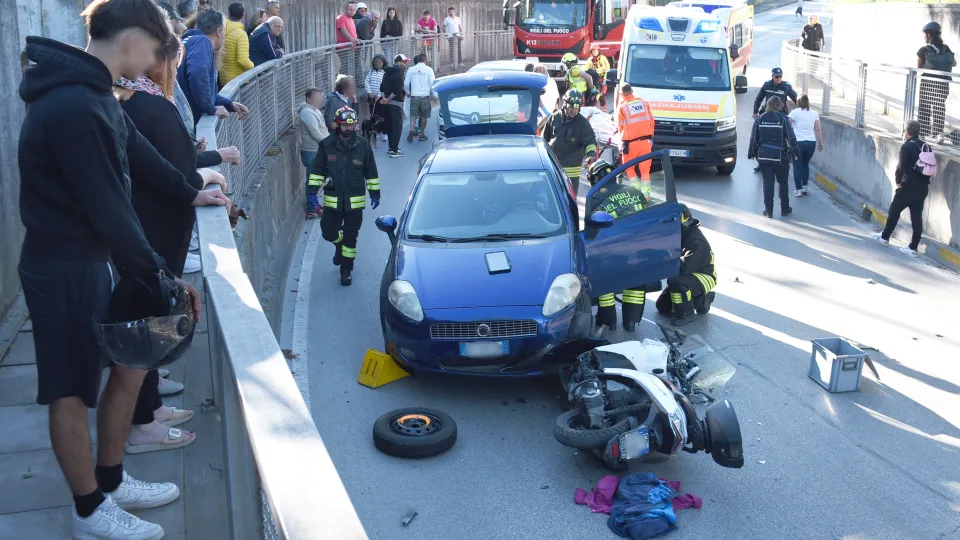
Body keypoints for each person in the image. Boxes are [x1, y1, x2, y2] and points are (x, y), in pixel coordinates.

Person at [17, 0, 217, 536]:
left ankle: (110, 478)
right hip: (61, 265)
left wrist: (194, 189)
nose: (156, 62)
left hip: (92, 259)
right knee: (70, 387)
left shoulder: (95, 96)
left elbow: (143, 155)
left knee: (120, 369)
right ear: (132, 36)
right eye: (155, 49)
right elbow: (109, 207)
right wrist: (160, 276)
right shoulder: (75, 107)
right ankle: (89, 511)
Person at [114, 28, 233, 456]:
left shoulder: (133, 101)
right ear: (161, 61)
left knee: (150, 314)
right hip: (158, 230)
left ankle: (149, 399)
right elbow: (176, 169)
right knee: (151, 314)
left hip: (149, 226)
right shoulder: (151, 106)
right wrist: (198, 175)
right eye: (174, 64)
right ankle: (142, 420)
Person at [309, 107, 381, 286]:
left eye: (352, 125)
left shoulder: (363, 145)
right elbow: (317, 170)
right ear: (337, 125)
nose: (349, 129)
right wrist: (311, 191)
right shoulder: (326, 145)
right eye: (345, 125)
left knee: (351, 237)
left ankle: (346, 269)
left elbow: (370, 170)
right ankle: (339, 245)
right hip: (333, 201)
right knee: (327, 231)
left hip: (355, 202)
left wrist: (374, 193)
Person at [588, 160, 650, 334]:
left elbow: (591, 230)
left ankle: (609, 322)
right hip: (637, 248)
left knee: (605, 285)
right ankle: (631, 322)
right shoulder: (634, 191)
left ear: (596, 177)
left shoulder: (596, 197)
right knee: (636, 285)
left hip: (611, 252)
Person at [178, 9, 250, 125]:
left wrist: (229, 104)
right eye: (224, 33)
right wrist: (211, 108)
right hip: (187, 121)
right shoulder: (203, 41)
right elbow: (197, 72)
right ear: (219, 32)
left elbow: (204, 91)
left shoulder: (188, 41)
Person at [872, 120, 933, 258]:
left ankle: (885, 236)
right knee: (917, 216)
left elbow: (901, 167)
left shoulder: (906, 147)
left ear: (908, 132)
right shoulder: (925, 146)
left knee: (895, 209)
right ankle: (913, 247)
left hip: (908, 187)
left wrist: (899, 182)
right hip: (923, 188)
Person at [655, 204, 717, 326]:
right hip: (690, 275)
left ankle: (687, 314)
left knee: (676, 282)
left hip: (704, 276)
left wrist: (661, 265)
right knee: (663, 306)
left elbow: (684, 267)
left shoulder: (696, 241)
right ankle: (698, 301)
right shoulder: (683, 235)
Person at [748, 96, 798, 218]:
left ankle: (768, 211)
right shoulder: (783, 119)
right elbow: (791, 137)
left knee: (768, 183)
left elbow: (754, 138)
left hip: (764, 157)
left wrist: (751, 153)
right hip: (780, 157)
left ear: (767, 105)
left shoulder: (760, 119)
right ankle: (785, 209)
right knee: (783, 182)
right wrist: (796, 151)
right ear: (780, 106)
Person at [542, 89, 598, 195]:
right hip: (553, 168)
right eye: (571, 107)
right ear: (565, 104)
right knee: (551, 197)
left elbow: (590, 141)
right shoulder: (554, 118)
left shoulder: (583, 123)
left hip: (571, 172)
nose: (574, 111)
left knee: (569, 200)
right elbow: (543, 140)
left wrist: (591, 155)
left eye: (577, 108)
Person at [752, 67, 798, 171]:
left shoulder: (785, 86)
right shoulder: (767, 85)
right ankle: (761, 162)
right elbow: (759, 98)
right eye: (776, 77)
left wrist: (800, 111)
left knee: (782, 138)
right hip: (766, 113)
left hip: (780, 115)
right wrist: (755, 111)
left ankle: (782, 160)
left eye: (780, 76)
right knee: (761, 138)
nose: (778, 79)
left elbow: (796, 98)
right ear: (772, 76)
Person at [917, 22, 956, 141]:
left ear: (929, 35)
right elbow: (954, 63)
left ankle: (922, 133)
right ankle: (939, 134)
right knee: (939, 107)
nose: (924, 36)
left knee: (925, 107)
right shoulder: (946, 48)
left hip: (928, 83)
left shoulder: (923, 50)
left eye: (925, 34)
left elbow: (919, 67)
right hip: (943, 83)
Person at [616, 83, 655, 197]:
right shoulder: (644, 103)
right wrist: (650, 137)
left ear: (622, 95)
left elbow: (620, 126)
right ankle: (646, 196)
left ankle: (637, 193)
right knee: (645, 171)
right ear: (632, 92)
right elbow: (652, 121)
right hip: (645, 143)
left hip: (631, 144)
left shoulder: (623, 107)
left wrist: (622, 140)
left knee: (629, 169)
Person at [300, 88, 329, 219]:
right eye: (317, 97)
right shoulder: (307, 112)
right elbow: (316, 133)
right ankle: (312, 209)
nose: (320, 100)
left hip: (318, 150)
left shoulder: (315, 110)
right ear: (309, 99)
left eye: (321, 97)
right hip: (312, 152)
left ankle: (315, 205)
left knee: (318, 179)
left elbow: (323, 130)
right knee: (313, 180)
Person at [788, 94, 823, 196]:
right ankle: (804, 187)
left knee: (797, 166)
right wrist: (821, 143)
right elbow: (818, 129)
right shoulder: (814, 113)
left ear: (798, 102)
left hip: (798, 143)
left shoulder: (795, 113)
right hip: (811, 143)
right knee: (805, 164)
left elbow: (788, 125)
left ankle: (798, 190)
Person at [380, 53, 410, 158]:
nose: (406, 64)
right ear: (399, 62)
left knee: (390, 126)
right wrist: (388, 99)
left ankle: (391, 147)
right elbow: (398, 89)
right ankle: (394, 150)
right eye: (405, 61)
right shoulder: (400, 72)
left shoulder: (387, 72)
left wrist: (384, 98)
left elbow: (382, 87)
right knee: (397, 127)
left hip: (386, 103)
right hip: (396, 104)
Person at [404, 53, 437, 142]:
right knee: (424, 117)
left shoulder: (411, 69)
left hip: (414, 96)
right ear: (425, 60)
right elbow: (432, 83)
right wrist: (435, 95)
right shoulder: (429, 69)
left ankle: (411, 128)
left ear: (417, 60)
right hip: (424, 97)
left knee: (413, 116)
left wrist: (407, 92)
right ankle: (421, 134)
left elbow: (406, 83)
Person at [220, 3, 254, 85]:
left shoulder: (221, 30)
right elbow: (243, 60)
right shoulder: (241, 34)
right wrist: (253, 66)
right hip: (238, 81)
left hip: (223, 79)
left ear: (228, 14)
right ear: (243, 15)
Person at [336, 1, 362, 79]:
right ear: (346, 9)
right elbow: (343, 30)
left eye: (354, 10)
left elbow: (353, 32)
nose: (352, 12)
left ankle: (346, 84)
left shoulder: (351, 19)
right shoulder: (341, 17)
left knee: (348, 67)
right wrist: (353, 40)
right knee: (345, 67)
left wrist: (357, 39)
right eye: (350, 9)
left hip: (351, 47)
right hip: (343, 48)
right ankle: (340, 85)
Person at [365, 54, 388, 138]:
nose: (377, 63)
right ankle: (377, 132)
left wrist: (379, 95)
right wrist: (369, 92)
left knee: (382, 115)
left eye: (379, 62)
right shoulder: (371, 71)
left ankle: (384, 132)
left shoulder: (385, 72)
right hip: (371, 98)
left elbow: (385, 85)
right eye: (376, 62)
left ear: (383, 62)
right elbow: (367, 82)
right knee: (374, 115)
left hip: (381, 98)